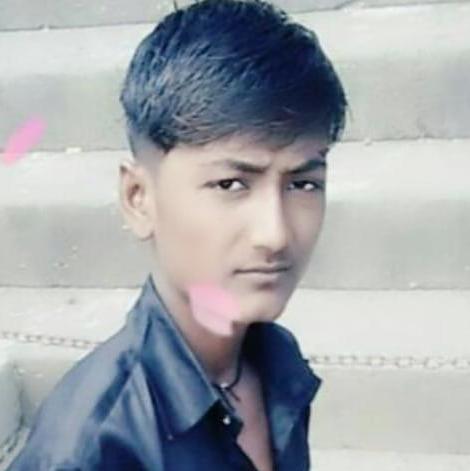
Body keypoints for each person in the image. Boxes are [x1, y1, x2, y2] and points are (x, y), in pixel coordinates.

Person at [7, 0, 347, 469]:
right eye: (230, 185)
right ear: (138, 198)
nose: (275, 234)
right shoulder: (92, 447)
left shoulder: (273, 360)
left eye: (303, 184)